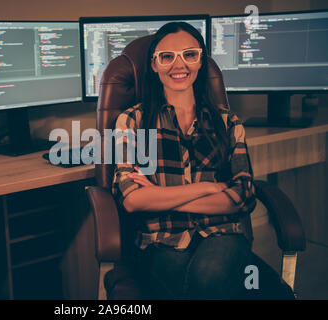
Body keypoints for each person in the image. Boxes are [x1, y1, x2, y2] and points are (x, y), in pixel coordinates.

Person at [112, 22, 294, 299]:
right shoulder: (132, 121)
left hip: (223, 234)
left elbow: (243, 195)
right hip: (161, 242)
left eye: (189, 54)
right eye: (167, 56)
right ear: (154, 65)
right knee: (223, 285)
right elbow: (132, 200)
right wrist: (209, 188)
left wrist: (158, 195)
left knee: (210, 276)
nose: (178, 64)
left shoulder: (227, 122)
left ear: (200, 61)